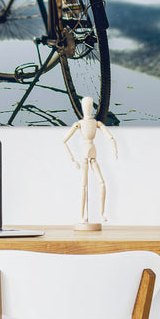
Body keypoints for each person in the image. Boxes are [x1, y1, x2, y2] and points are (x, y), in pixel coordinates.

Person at [62, 96, 118, 230]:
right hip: (84, 157)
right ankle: (82, 216)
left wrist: (115, 150)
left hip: (93, 156)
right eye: (85, 105)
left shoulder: (96, 123)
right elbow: (64, 141)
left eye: (89, 105)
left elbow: (110, 137)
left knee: (102, 182)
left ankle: (102, 213)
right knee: (83, 185)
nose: (87, 108)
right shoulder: (79, 124)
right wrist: (72, 160)